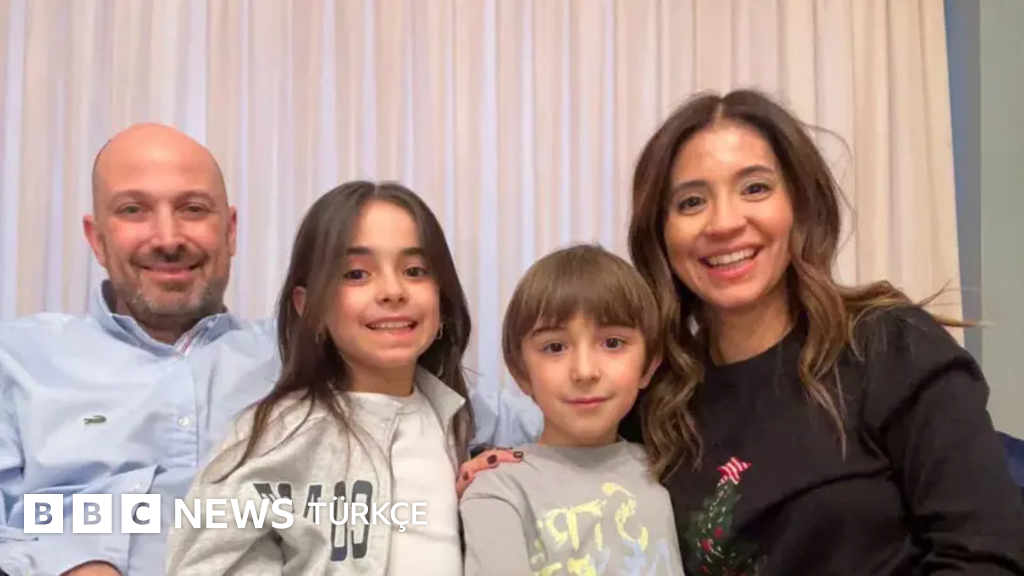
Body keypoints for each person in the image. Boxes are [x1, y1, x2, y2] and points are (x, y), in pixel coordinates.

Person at [459, 89, 1024, 575]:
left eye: (754, 188)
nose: (725, 222)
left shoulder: (888, 345)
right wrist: (501, 466)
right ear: (662, 235)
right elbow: (579, 464)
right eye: (691, 201)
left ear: (798, 205)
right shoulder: (657, 392)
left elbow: (986, 555)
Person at [0, 125, 535, 576]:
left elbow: (517, 421)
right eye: (134, 210)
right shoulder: (21, 358)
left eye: (193, 209)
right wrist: (69, 560)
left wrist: (508, 467)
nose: (167, 237)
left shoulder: (316, 355)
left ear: (230, 230)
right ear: (96, 237)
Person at [166, 181, 475, 574]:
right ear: (308, 304)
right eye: (357, 274)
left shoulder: (452, 417)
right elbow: (204, 562)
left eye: (414, 271)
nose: (393, 291)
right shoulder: (279, 432)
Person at [461, 244, 686, 576]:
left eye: (612, 343)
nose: (584, 371)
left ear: (649, 365)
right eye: (555, 347)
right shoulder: (499, 489)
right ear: (521, 371)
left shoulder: (667, 470)